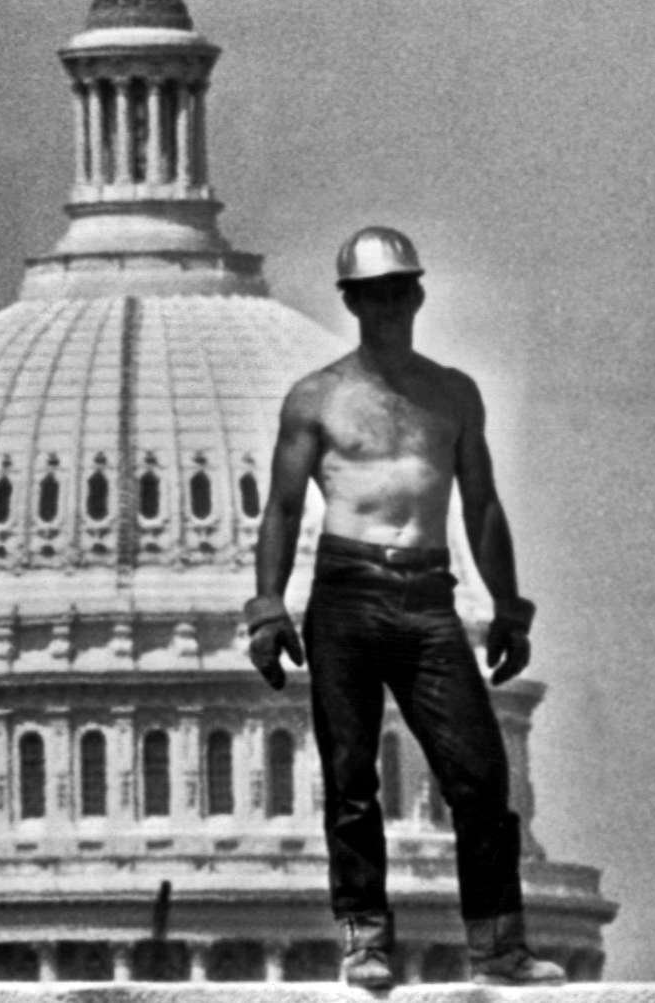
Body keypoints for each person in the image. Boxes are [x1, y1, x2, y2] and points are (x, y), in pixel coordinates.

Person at [243, 226, 566, 989]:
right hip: (346, 593)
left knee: (481, 780)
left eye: (398, 291)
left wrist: (509, 604)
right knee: (352, 778)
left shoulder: (452, 394)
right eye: (372, 294)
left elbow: (482, 507)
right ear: (351, 302)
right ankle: (364, 937)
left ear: (416, 295)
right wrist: (266, 606)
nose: (387, 305)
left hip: (427, 597)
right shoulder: (317, 398)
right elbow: (283, 511)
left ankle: (497, 945)